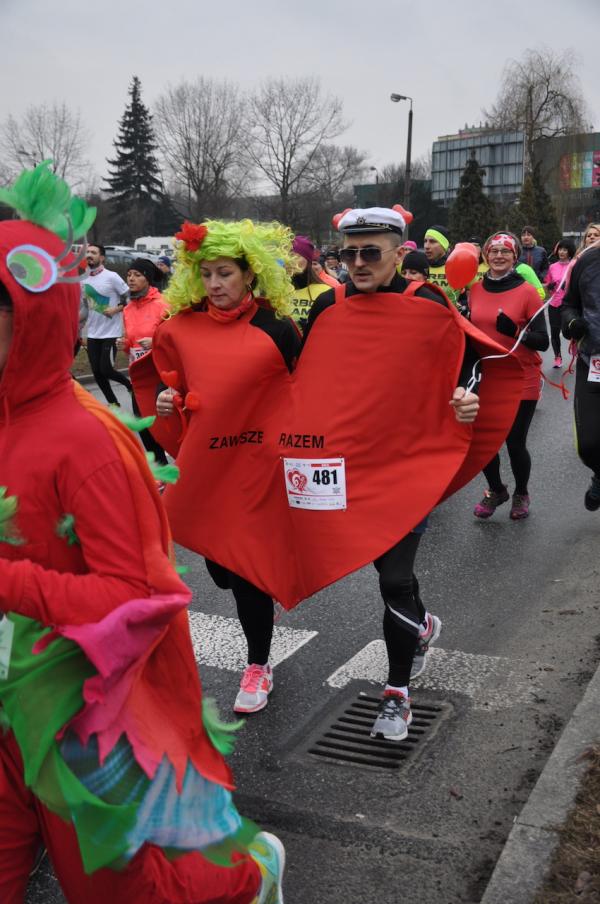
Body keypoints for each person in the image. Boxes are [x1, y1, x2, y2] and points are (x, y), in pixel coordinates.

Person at [0, 165, 285, 904]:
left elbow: (143, 595)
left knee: (122, 891)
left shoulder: (85, 442)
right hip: (6, 701)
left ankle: (250, 878)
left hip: (81, 712)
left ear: (28, 318)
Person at [301, 207, 483, 741]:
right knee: (376, 564)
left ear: (399, 254)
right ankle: (423, 627)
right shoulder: (327, 306)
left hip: (406, 463)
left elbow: (469, 359)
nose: (356, 263)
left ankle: (397, 695)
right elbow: (295, 375)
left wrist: (467, 394)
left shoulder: (425, 301)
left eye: (370, 252)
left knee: (394, 578)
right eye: (348, 253)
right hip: (344, 465)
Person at [132, 219, 301, 716]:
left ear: (250, 274)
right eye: (205, 275)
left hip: (258, 470)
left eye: (224, 273)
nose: (214, 284)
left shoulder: (278, 329)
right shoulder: (180, 329)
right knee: (223, 571)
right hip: (207, 469)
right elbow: (171, 387)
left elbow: (307, 394)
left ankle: (258, 664)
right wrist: (168, 403)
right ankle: (257, 597)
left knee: (245, 573)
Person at [469, 232, 549, 521]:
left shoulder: (527, 291)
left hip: (521, 376)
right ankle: (496, 490)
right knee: (483, 441)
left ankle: (521, 493)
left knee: (514, 441)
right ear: (486, 255)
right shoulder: (475, 290)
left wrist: (515, 331)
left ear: (515, 257)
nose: (499, 255)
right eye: (494, 251)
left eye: (505, 251)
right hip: (488, 376)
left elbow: (543, 340)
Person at [117, 258, 170, 466]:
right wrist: (124, 344)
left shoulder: (163, 304)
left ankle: (183, 464)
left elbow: (176, 338)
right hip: (139, 376)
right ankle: (160, 468)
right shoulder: (128, 310)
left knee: (163, 423)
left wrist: (156, 341)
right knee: (142, 422)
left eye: (137, 275)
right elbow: (130, 346)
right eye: (129, 274)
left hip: (160, 373)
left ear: (148, 279)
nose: (131, 279)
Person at [561, 234, 600, 510]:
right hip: (593, 361)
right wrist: (572, 322)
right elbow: (568, 305)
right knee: (587, 444)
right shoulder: (587, 261)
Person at [82, 243, 132, 404]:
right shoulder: (83, 279)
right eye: (88, 252)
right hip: (92, 333)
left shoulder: (112, 276)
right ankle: (113, 403)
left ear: (101, 257)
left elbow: (129, 298)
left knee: (106, 369)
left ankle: (129, 385)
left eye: (93, 252)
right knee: (96, 372)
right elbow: (84, 307)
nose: (89, 255)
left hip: (111, 333)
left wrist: (116, 309)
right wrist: (77, 329)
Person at [289, 235, 336, 329]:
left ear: (308, 260)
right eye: (286, 256)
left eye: (295, 256)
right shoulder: (275, 291)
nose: (289, 260)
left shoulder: (326, 292)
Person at [544, 239, 576, 367]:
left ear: (570, 251)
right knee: (554, 331)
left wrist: (568, 287)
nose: (562, 252)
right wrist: (550, 286)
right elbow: (547, 283)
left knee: (567, 330)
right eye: (560, 249)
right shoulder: (552, 267)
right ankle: (557, 357)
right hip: (554, 304)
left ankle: (574, 342)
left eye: (565, 249)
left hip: (568, 304)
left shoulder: (574, 265)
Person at [423, 224, 460, 305]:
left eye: (432, 241)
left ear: (444, 245)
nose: (426, 246)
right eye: (425, 241)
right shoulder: (419, 266)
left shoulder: (456, 267)